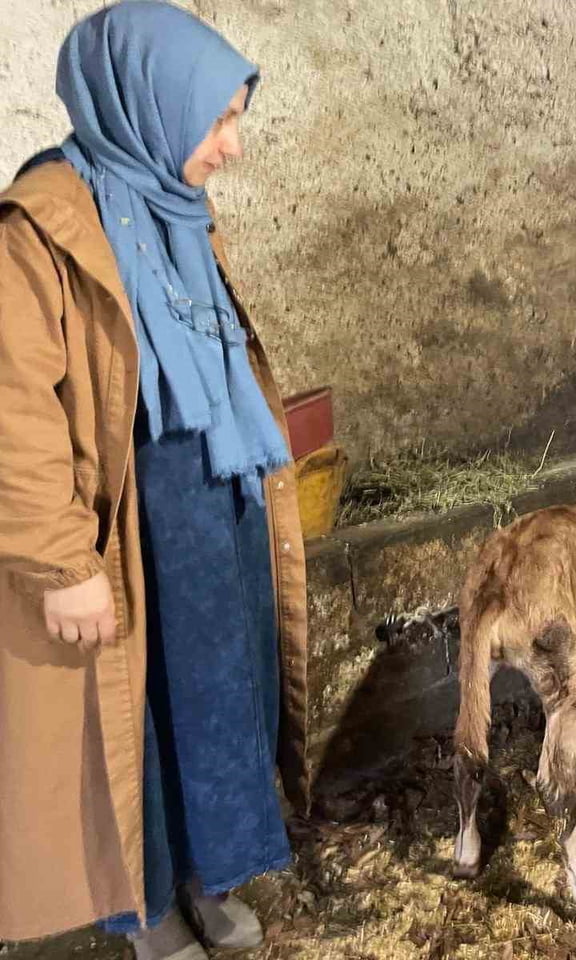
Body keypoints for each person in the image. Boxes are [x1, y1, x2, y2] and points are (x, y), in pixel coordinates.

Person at [0, 3, 309, 956]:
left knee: (218, 697)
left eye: (233, 119)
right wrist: (62, 563)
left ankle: (207, 873)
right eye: (217, 120)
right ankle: (144, 910)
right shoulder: (42, 227)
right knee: (128, 721)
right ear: (145, 104)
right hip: (121, 525)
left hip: (207, 510)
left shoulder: (174, 210)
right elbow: (13, 406)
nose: (231, 147)